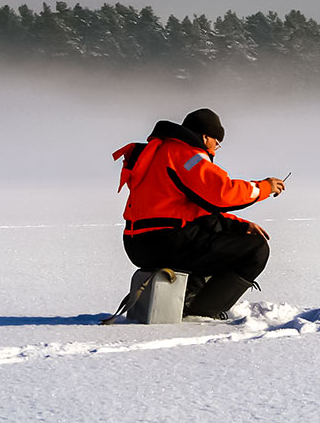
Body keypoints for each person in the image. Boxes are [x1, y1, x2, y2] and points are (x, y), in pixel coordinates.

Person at [112, 108, 286, 318]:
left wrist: (239, 225)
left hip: (138, 242)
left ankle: (186, 298)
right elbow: (222, 193)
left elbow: (194, 208)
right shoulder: (186, 155)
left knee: (218, 238)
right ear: (206, 137)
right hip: (165, 241)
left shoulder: (158, 151)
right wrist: (265, 187)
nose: (216, 149)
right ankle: (202, 312)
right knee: (255, 249)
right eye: (217, 142)